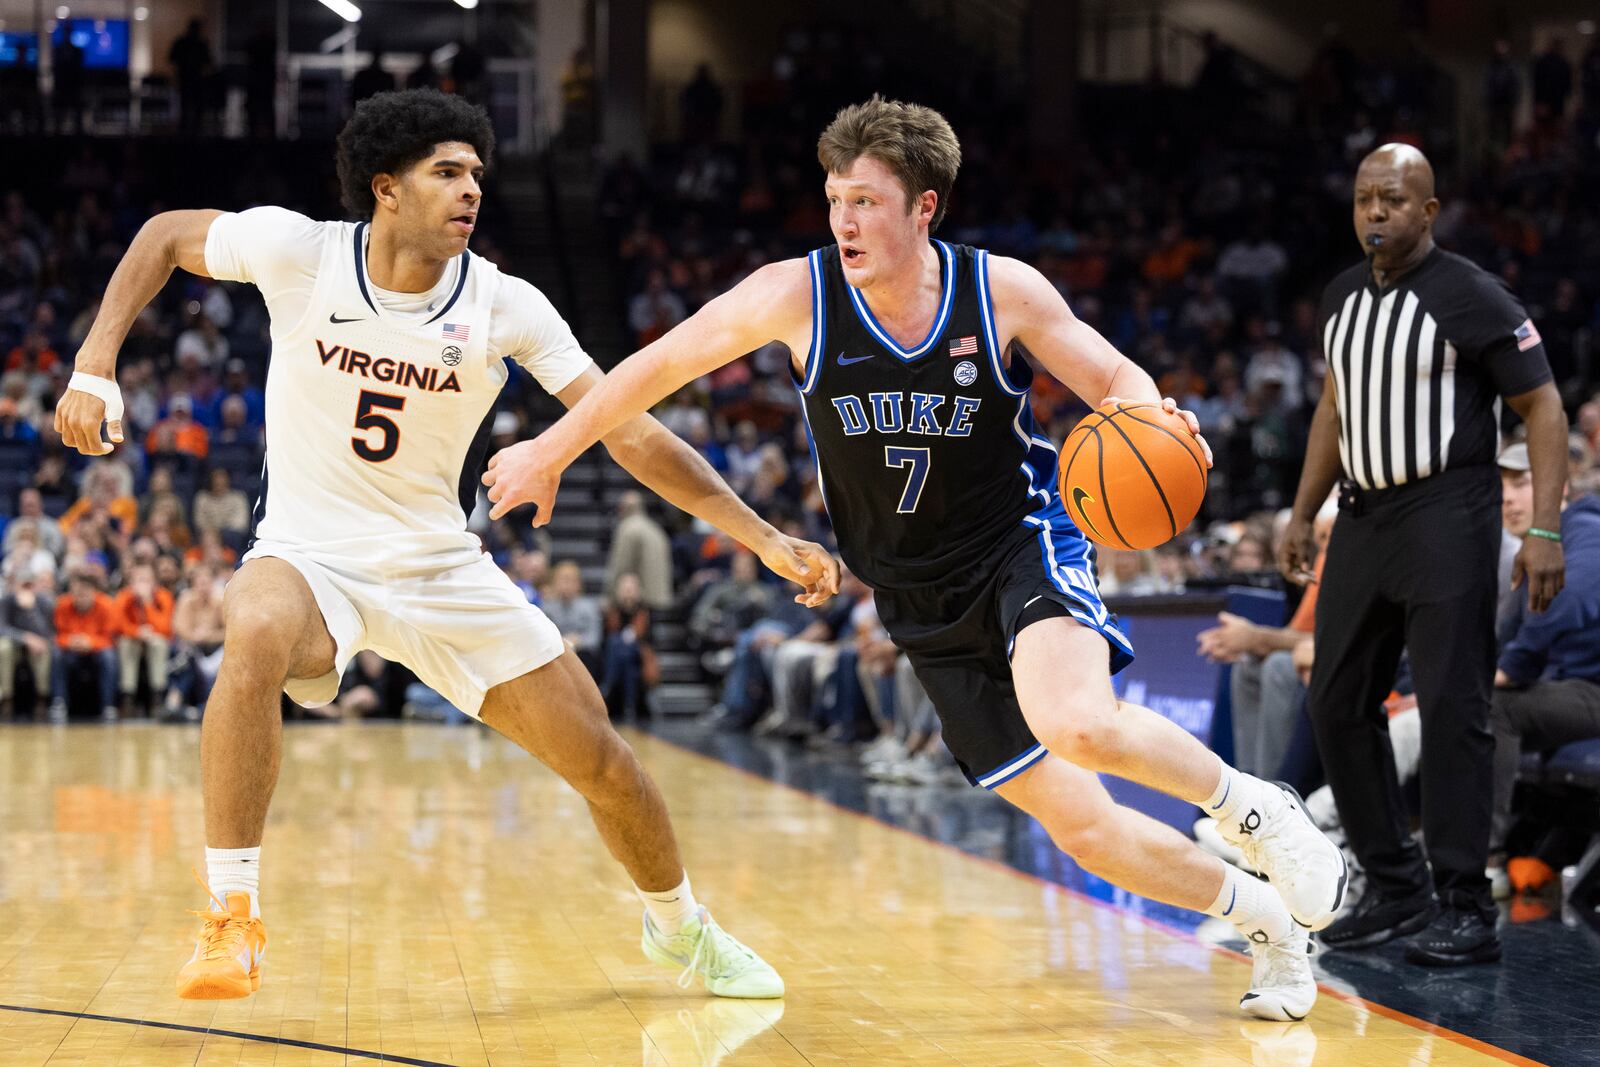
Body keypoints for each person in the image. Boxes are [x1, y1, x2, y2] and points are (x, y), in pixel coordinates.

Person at [488, 95, 1347, 1020]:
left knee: (1080, 721)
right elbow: (648, 371)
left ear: (923, 208)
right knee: (1085, 827)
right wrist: (552, 447)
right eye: (833, 199)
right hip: (914, 594)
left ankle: (1256, 808)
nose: (843, 221)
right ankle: (1268, 923)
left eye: (865, 201)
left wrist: (1152, 416)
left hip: (1019, 541)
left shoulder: (1000, 289)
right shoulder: (795, 293)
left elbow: (1113, 378)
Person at [54, 88, 837, 1004]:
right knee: (255, 621)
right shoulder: (300, 253)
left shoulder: (506, 304)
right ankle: (233, 916)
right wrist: (93, 365)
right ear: (385, 188)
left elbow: (630, 432)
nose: (472, 191)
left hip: (437, 563)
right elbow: (160, 235)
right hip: (310, 554)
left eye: (477, 175)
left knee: (604, 763)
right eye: (448, 173)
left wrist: (764, 533)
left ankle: (683, 928)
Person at [1278, 144, 1567, 967]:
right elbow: (1333, 410)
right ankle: (1396, 883)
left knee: (1451, 707)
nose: (1376, 212)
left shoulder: (1470, 294)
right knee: (1335, 702)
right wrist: (1305, 510)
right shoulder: (1339, 296)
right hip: (1365, 518)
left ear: (1429, 211)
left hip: (1449, 509)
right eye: (1366, 198)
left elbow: (1543, 407)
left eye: (1394, 200)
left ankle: (1466, 904)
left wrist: (1542, 529)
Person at [1489, 442, 1600, 856]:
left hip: (1591, 688)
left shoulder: (1584, 528)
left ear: (1559, 488)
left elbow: (1575, 595)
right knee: (1455, 703)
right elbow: (1503, 638)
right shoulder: (1533, 551)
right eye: (1501, 486)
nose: (1507, 498)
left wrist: (1517, 665)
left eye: (1520, 483)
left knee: (1494, 705)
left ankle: (1481, 859)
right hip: (1571, 690)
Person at [50, 572, 119, 722]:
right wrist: (70, 642)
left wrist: (90, 642)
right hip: (71, 652)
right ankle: (59, 702)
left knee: (108, 656)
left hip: (96, 651)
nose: (80, 597)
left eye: (84, 593)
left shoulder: (106, 605)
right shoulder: (62, 605)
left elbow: (110, 637)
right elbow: (58, 634)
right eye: (76, 593)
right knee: (57, 654)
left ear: (93, 592)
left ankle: (108, 705)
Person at [114, 561, 175, 716]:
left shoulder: (164, 596)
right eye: (139, 580)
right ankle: (128, 698)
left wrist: (147, 603)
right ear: (131, 582)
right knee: (127, 644)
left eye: (146, 580)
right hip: (133, 639)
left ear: (154, 581)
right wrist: (137, 632)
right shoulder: (124, 597)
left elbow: (165, 628)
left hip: (154, 639)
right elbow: (118, 625)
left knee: (158, 644)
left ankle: (157, 698)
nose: (143, 584)